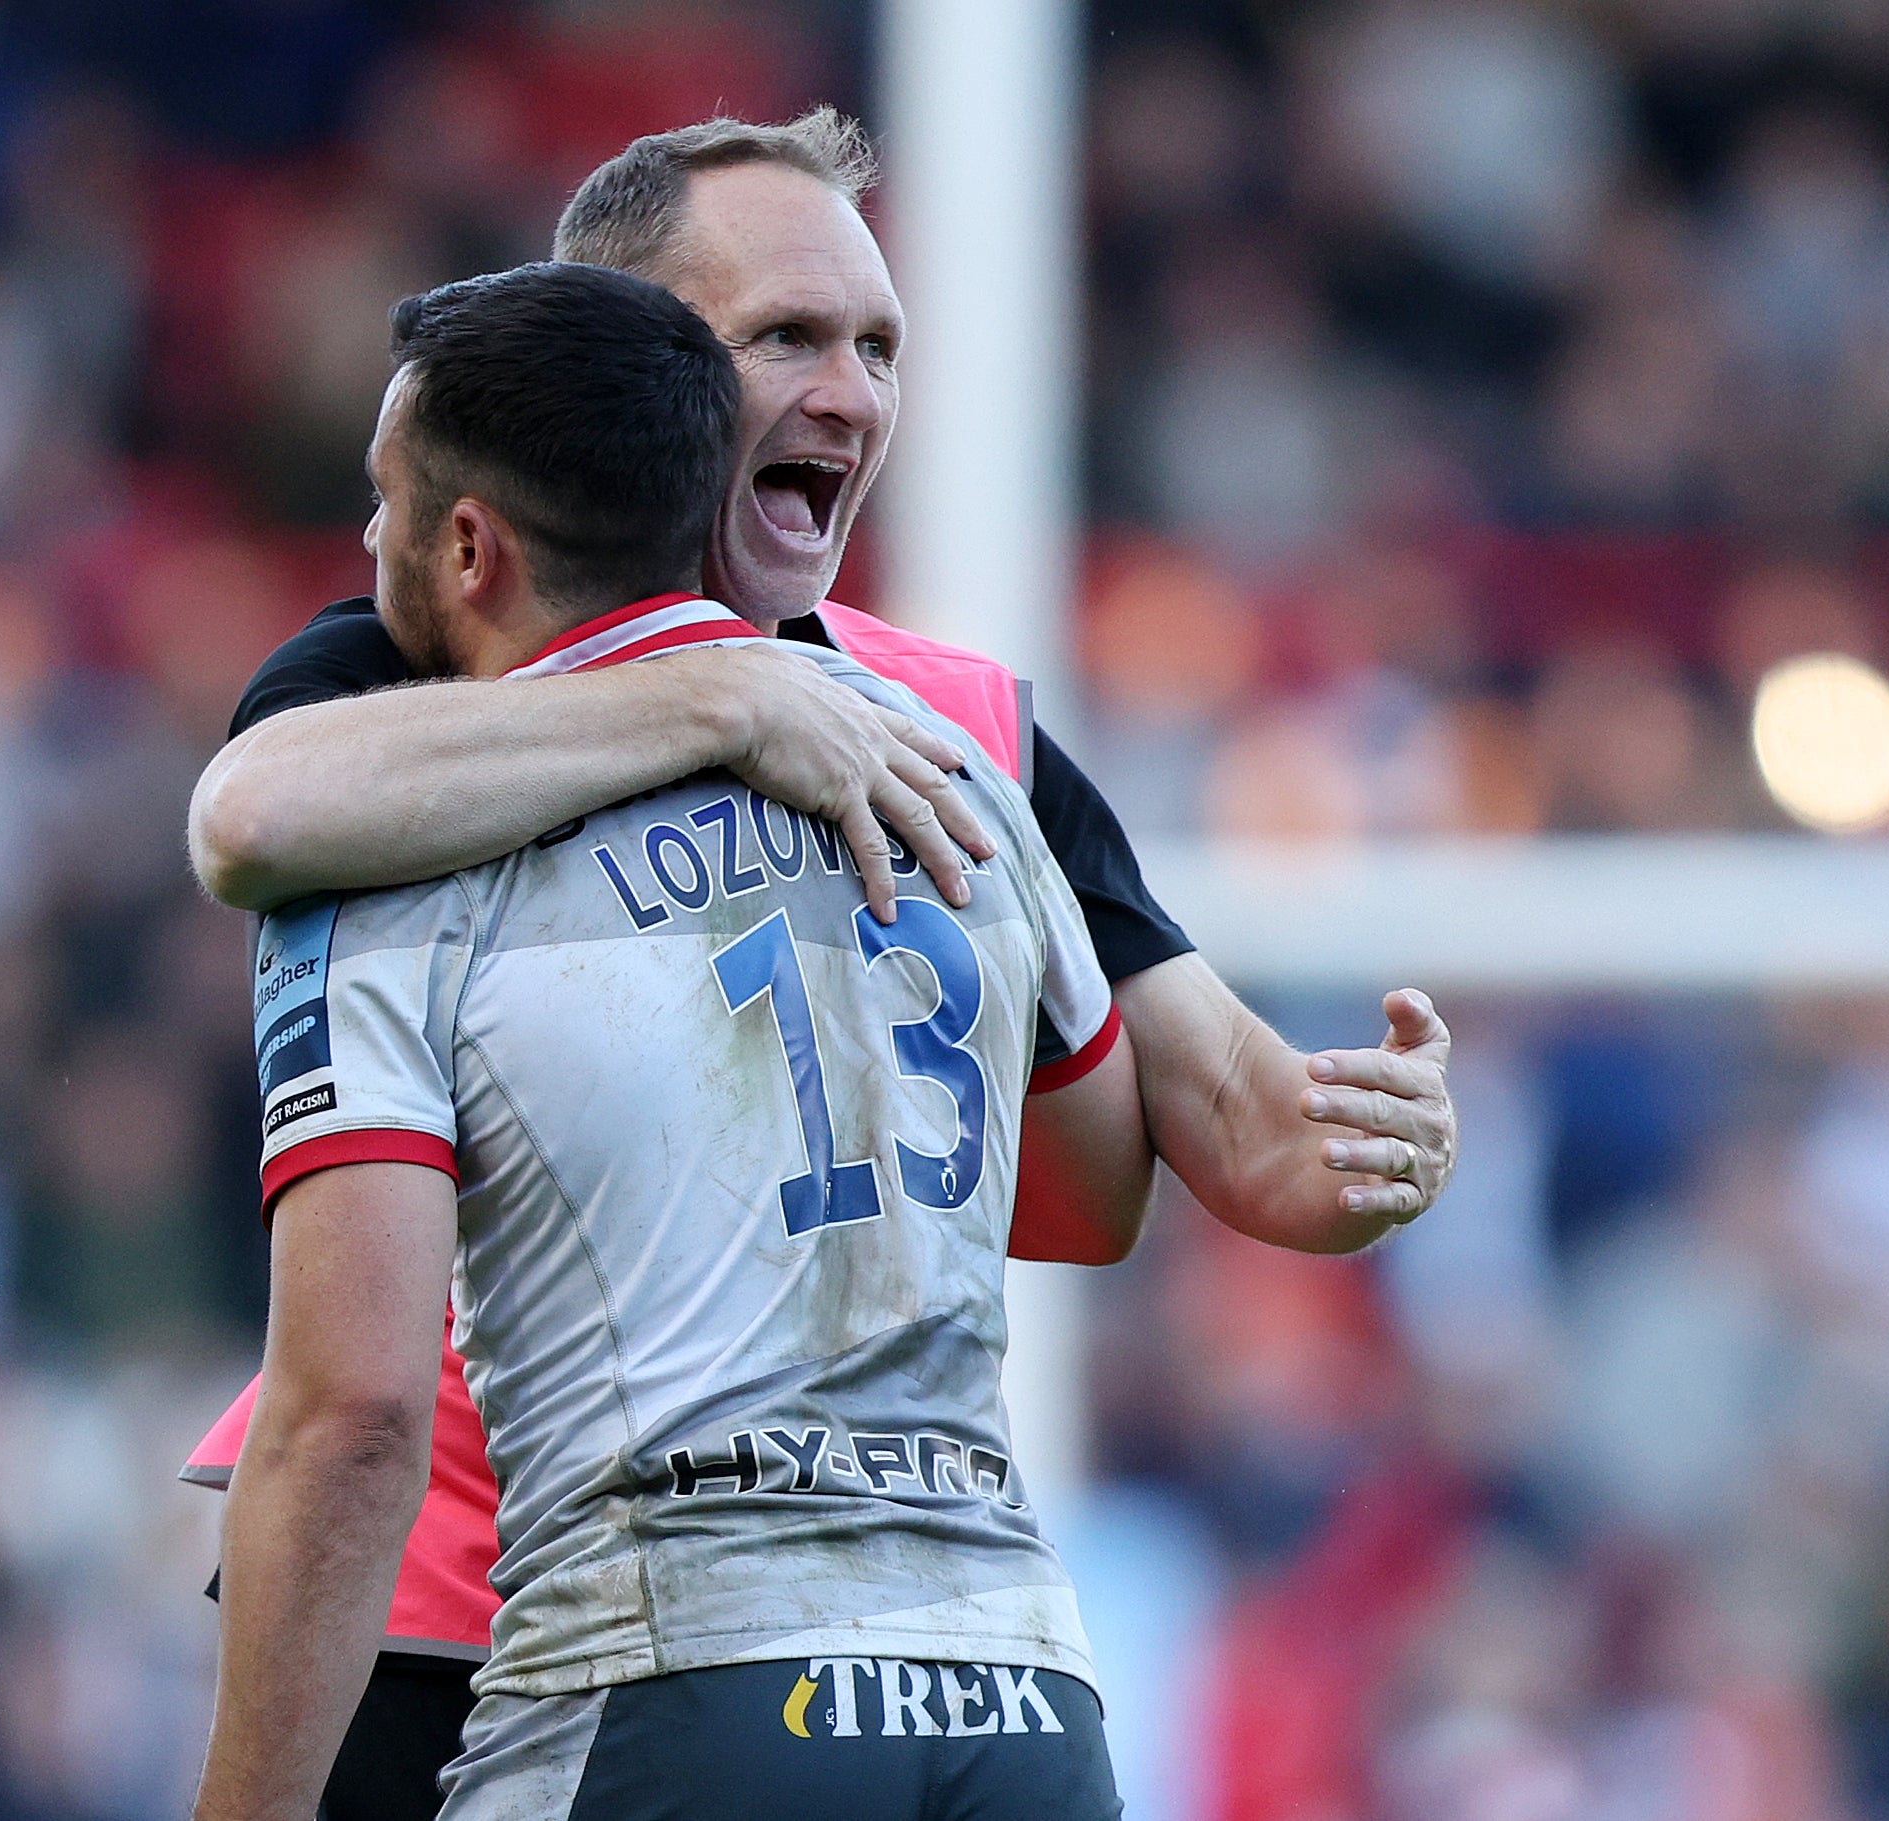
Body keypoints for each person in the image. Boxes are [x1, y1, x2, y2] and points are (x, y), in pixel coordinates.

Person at [186, 108, 1459, 1821]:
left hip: (712, 1644)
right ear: (629, 360)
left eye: (876, 344)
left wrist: (1365, 1136)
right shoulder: (418, 647)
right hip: (471, 1607)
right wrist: (722, 696)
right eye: (786, 336)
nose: (851, 390)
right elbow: (248, 814)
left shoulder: (960, 726)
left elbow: (1212, 1136)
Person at [194, 258, 1148, 1821]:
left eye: (380, 501)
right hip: (1019, 1693)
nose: (364, 541)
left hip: (676, 1687)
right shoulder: (960, 784)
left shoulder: (387, 851)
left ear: (465, 542)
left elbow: (354, 1414)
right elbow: (1099, 1188)